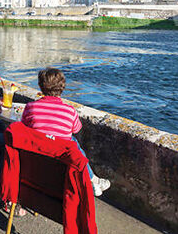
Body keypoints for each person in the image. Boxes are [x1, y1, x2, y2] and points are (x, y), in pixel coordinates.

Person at [21, 67, 111, 196]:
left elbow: (24, 127)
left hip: (35, 159)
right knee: (72, 141)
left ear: (40, 86)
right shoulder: (70, 111)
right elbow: (77, 129)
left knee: (63, 140)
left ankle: (93, 179)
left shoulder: (31, 107)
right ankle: (92, 179)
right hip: (60, 162)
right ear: (62, 87)